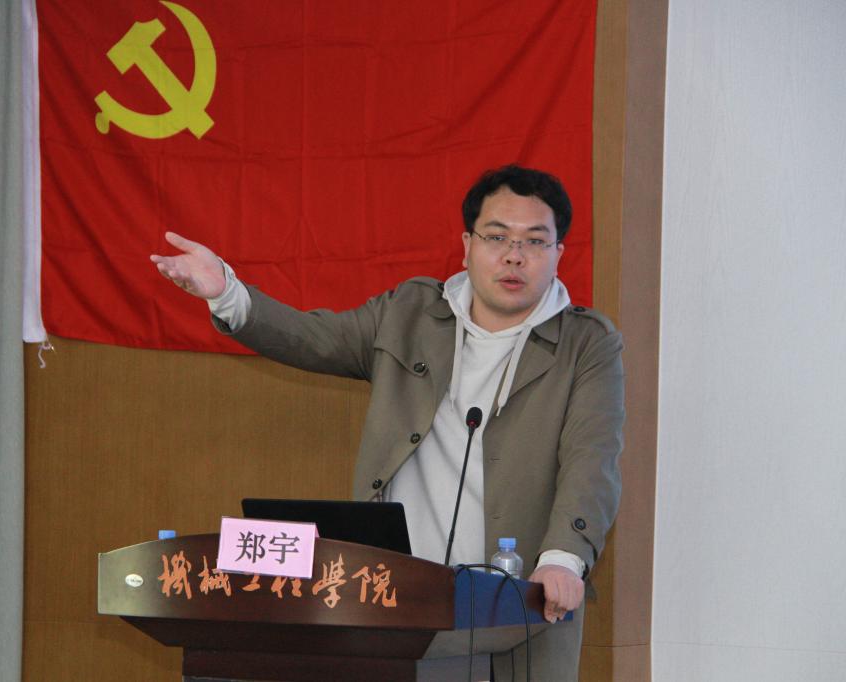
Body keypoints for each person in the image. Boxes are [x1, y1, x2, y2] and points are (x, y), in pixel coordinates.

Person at [150, 164, 624, 680]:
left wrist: (563, 559)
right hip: (392, 601)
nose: (514, 255)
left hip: (519, 606)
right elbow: (313, 338)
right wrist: (227, 292)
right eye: (497, 237)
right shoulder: (410, 313)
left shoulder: (587, 344)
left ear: (558, 253)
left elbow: (592, 460)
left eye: (534, 241)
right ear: (467, 245)